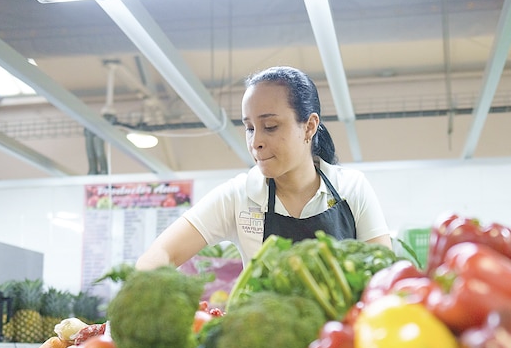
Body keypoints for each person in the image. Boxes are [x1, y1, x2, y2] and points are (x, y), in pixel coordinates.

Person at [135, 66, 392, 270]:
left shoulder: (351, 188)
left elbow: (383, 276)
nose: (256, 142)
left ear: (310, 126)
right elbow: (158, 256)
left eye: (270, 127)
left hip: (338, 336)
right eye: (249, 128)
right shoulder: (239, 196)